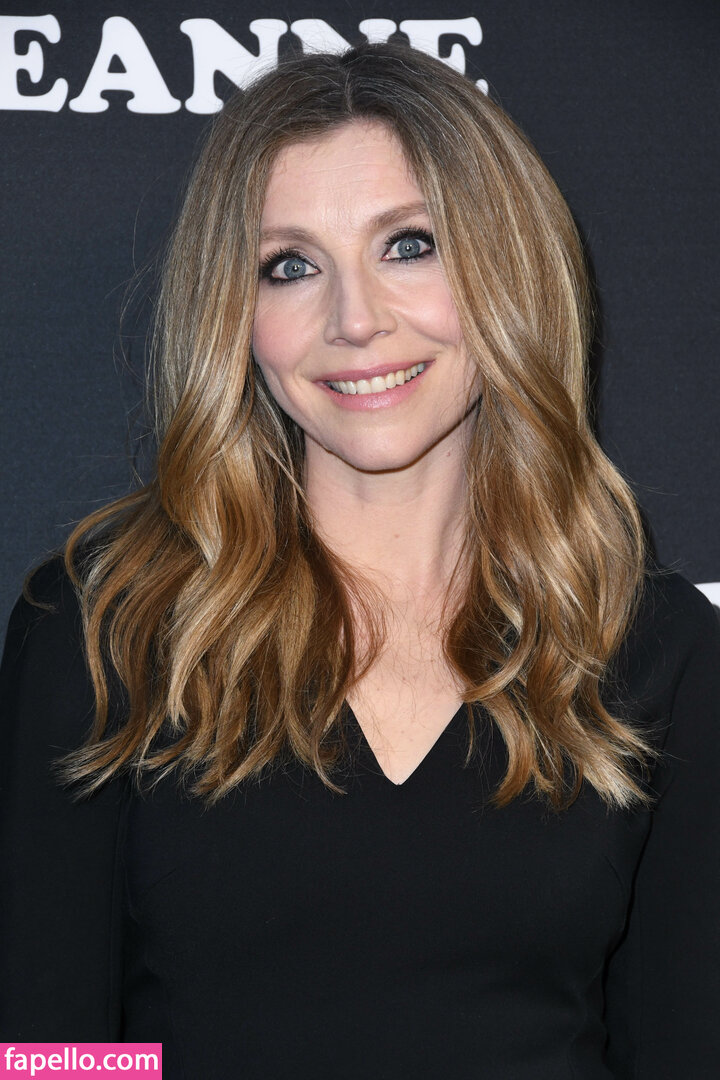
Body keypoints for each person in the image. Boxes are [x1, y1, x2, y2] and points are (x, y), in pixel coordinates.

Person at [1, 41, 718, 1079]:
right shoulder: (108, 624)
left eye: (409, 246)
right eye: (289, 266)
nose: (354, 321)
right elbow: (47, 1053)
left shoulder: (653, 652)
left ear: (507, 269)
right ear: (233, 314)